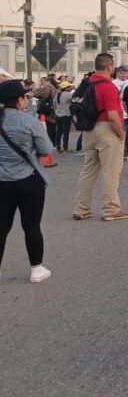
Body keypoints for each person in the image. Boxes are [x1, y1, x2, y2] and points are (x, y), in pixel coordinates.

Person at [0, 79, 53, 283]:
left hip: (2, 181)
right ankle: (36, 269)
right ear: (20, 100)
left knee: (1, 227)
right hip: (28, 180)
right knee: (31, 225)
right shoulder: (28, 121)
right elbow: (46, 150)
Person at [75, 53, 128, 222]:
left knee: (89, 170)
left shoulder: (86, 83)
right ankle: (111, 209)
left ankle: (81, 208)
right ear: (109, 67)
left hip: (88, 130)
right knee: (111, 172)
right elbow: (113, 115)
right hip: (106, 129)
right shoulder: (108, 86)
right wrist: (121, 134)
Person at [54, 80, 74, 153]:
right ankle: (65, 148)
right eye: (69, 87)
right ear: (66, 88)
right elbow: (73, 101)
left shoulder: (57, 94)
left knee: (59, 132)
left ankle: (58, 148)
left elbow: (54, 105)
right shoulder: (68, 94)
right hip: (66, 115)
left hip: (58, 115)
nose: (70, 88)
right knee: (66, 132)